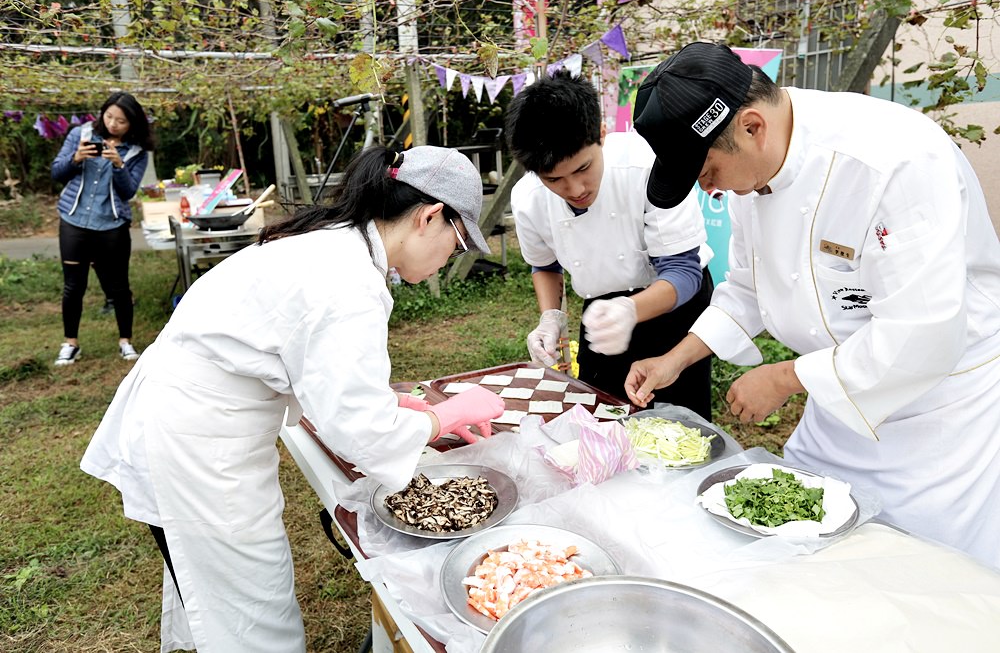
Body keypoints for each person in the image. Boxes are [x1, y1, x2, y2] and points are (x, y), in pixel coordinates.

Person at [79, 145, 506, 652]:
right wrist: (446, 414)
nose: (449, 260)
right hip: (197, 438)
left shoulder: (334, 244)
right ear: (429, 216)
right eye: (456, 244)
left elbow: (307, 365)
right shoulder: (348, 282)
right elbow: (360, 433)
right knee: (254, 611)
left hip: (192, 416)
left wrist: (401, 409)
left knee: (226, 588)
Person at [624, 41, 1000, 569]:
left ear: (752, 127)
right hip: (837, 391)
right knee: (809, 547)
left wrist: (782, 380)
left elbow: (922, 331)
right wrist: (676, 358)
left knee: (924, 567)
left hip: (940, 411)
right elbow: (748, 288)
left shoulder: (894, 160)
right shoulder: (755, 171)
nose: (707, 189)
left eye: (706, 171)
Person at [505, 69, 715, 418]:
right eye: (555, 179)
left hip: (676, 305)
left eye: (583, 168)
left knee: (681, 422)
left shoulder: (649, 164)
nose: (575, 189)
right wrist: (551, 317)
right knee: (601, 414)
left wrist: (631, 310)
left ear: (601, 134)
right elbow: (544, 265)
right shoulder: (528, 198)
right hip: (601, 310)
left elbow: (683, 271)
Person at [50, 92, 153, 365]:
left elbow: (128, 191)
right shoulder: (79, 134)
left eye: (121, 121)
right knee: (73, 285)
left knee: (119, 286)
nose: (113, 124)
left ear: (132, 123)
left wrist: (119, 165)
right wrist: (76, 158)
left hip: (112, 224)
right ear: (102, 113)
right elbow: (56, 173)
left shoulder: (137, 152)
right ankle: (70, 343)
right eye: (109, 117)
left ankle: (126, 342)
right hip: (74, 221)